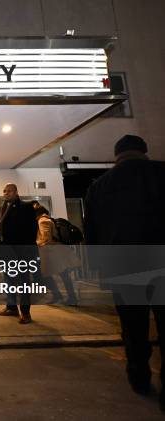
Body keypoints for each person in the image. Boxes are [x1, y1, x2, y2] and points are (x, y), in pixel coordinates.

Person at [84, 134, 165, 411]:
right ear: (144, 151)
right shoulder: (161, 173)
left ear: (117, 155)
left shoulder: (99, 186)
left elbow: (92, 232)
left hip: (123, 266)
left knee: (133, 326)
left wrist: (98, 268)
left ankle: (139, 376)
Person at [0, 183, 39, 324]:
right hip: (6, 253)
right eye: (4, 191)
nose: (5, 193)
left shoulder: (26, 207)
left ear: (16, 192)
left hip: (21, 253)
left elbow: (32, 231)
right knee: (9, 281)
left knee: (23, 282)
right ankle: (11, 307)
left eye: (9, 191)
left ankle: (25, 313)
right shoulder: (1, 208)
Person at [34, 205, 78, 306]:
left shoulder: (43, 221)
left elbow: (46, 239)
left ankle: (66, 296)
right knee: (62, 275)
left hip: (51, 252)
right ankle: (66, 296)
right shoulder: (48, 219)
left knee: (49, 275)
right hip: (55, 251)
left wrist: (36, 243)